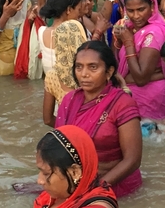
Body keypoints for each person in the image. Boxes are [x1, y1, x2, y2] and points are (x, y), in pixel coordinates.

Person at [54, 40, 143, 197]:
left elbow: (132, 160)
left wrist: (96, 189)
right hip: (76, 183)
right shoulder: (69, 100)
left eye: (93, 67)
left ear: (109, 72)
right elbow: (58, 147)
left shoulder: (122, 104)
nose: (84, 74)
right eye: (79, 67)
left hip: (112, 186)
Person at [114, 0, 165, 120]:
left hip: (148, 99)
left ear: (152, 6)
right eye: (130, 10)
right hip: (132, 97)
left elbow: (141, 78)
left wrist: (128, 42)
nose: (136, 16)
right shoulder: (129, 28)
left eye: (141, 9)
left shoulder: (153, 33)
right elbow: (117, 66)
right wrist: (119, 41)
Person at [39, 0, 87, 124]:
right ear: (68, 10)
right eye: (78, 10)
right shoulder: (74, 32)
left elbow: (48, 120)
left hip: (57, 104)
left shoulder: (41, 32)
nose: (79, 15)